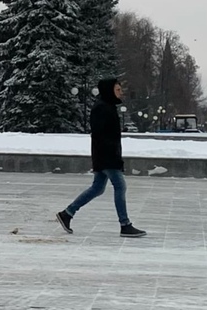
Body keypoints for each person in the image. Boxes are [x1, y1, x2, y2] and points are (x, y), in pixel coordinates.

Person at [56, 78, 146, 238]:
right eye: (118, 90)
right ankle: (125, 224)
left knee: (97, 188)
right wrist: (111, 156)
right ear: (109, 90)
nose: (121, 92)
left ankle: (67, 213)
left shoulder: (107, 107)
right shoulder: (102, 108)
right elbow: (99, 135)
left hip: (106, 156)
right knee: (120, 186)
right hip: (107, 157)